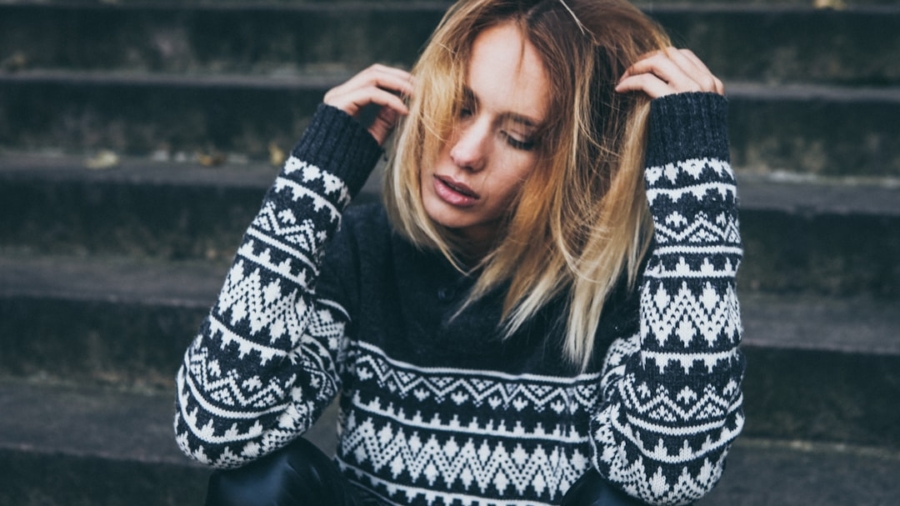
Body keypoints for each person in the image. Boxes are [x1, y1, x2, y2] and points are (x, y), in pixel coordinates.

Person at [174, 0, 744, 504]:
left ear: (582, 168)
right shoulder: (365, 249)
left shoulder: (633, 286)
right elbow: (216, 429)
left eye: (518, 136)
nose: (466, 152)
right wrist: (311, 185)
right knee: (256, 482)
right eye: (460, 106)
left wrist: (698, 202)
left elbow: (668, 476)